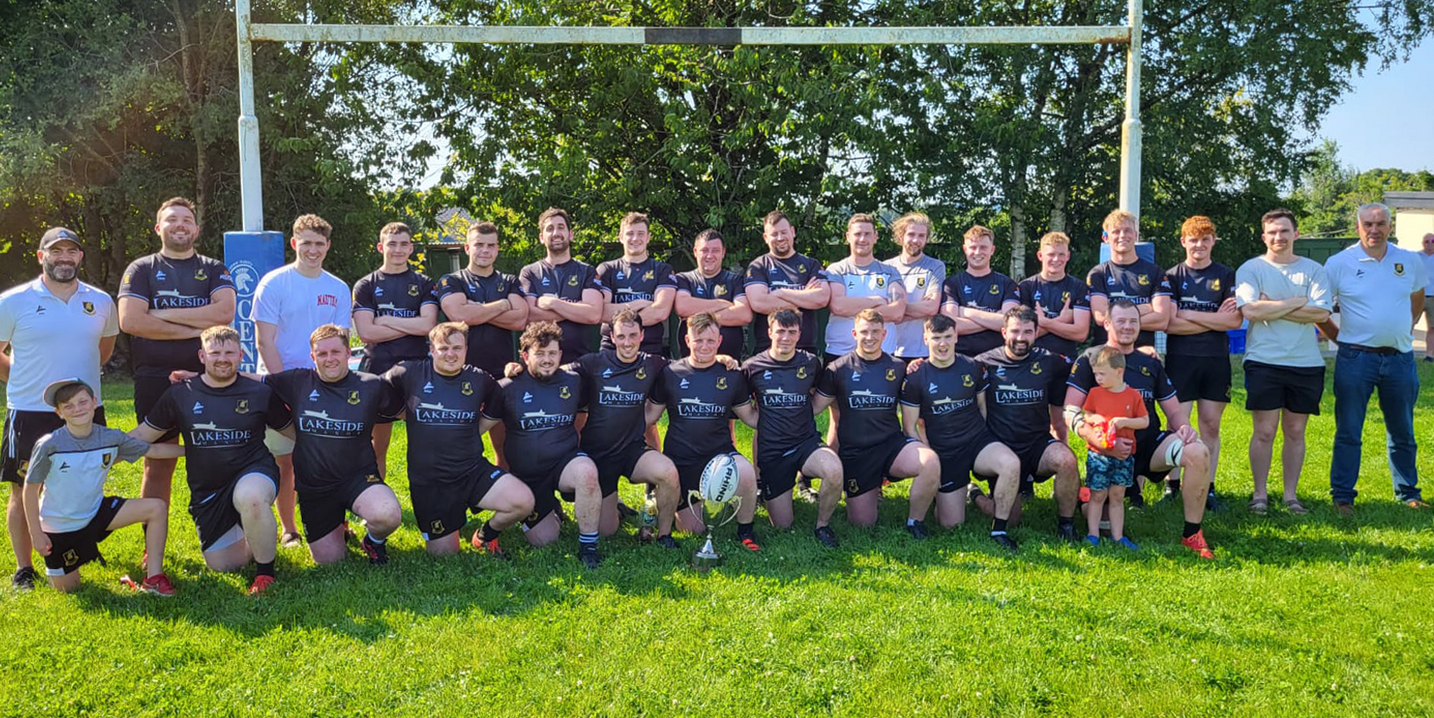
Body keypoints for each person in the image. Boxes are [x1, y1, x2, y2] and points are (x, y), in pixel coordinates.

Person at [0, 227, 119, 591]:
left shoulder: (100, 301)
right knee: (24, 488)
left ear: (80, 257)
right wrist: (19, 381)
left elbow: (105, 348)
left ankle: (80, 547)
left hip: (85, 410)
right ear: (41, 256)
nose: (64, 257)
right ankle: (24, 568)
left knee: (82, 481)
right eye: (56, 251)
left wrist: (77, 396)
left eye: (72, 251)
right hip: (31, 410)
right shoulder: (14, 301)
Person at [132, 326, 289, 594]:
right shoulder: (180, 394)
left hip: (253, 471)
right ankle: (255, 531)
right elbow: (142, 435)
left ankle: (265, 574)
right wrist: (99, 446)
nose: (222, 358)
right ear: (201, 356)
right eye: (214, 352)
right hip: (208, 490)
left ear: (241, 355)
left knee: (251, 497)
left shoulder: (258, 393)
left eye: (229, 352)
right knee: (225, 565)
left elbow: (293, 432)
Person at [1065, 300, 1216, 558]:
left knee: (1198, 452)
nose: (1127, 327)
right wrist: (1095, 437)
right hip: (1106, 451)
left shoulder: (1151, 363)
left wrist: (1185, 428)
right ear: (1107, 323)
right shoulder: (1090, 359)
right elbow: (1070, 410)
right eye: (1121, 321)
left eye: (1133, 321)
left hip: (1147, 448)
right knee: (1097, 521)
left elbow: (1174, 410)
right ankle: (1088, 495)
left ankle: (1192, 534)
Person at [117, 197, 236, 507]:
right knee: (157, 464)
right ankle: (152, 547)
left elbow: (224, 312)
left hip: (209, 378)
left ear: (196, 230)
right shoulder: (142, 268)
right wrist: (197, 328)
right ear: (159, 228)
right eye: (171, 219)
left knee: (218, 460)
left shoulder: (213, 268)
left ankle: (224, 539)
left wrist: (157, 314)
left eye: (186, 220)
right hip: (154, 379)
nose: (179, 224)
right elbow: (130, 320)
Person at [382, 322, 535, 557]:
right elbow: (376, 390)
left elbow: (498, 403)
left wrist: (515, 370)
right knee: (444, 555)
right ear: (431, 350)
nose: (450, 354)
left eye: (457, 347)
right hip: (430, 482)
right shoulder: (409, 372)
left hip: (471, 471)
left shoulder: (479, 379)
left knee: (523, 501)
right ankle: (452, 519)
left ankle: (484, 536)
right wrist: (403, 413)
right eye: (443, 348)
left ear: (466, 349)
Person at [262, 324, 405, 565]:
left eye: (336, 352)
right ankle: (336, 527)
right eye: (322, 353)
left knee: (387, 515)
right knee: (330, 562)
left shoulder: (370, 385)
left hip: (358, 478)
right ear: (312, 357)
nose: (329, 359)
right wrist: (199, 379)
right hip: (315, 487)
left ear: (349, 353)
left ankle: (373, 541)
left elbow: (408, 413)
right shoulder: (297, 380)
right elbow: (250, 381)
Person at [251, 213, 353, 549]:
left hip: (325, 386)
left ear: (328, 247)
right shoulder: (274, 283)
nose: (312, 250)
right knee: (286, 460)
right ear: (294, 243)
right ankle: (290, 528)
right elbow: (264, 341)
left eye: (319, 244)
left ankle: (338, 522)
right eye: (306, 242)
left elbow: (340, 344)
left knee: (332, 457)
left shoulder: (338, 288)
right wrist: (283, 389)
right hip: (281, 384)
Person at [1319, 203, 1429, 513]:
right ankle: (1342, 496)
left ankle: (1408, 492)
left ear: (1390, 227)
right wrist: (1339, 339)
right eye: (1368, 223)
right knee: (1349, 431)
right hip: (1356, 360)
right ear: (1358, 227)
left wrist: (1403, 328)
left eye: (1381, 223)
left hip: (1400, 360)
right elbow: (1320, 310)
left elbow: (1417, 298)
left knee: (1403, 431)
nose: (1374, 229)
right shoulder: (1339, 263)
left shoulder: (1408, 261)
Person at [23, 379, 178, 594]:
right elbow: (30, 490)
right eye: (68, 406)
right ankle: (84, 550)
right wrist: (36, 534)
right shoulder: (49, 445)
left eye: (82, 401)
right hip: (61, 528)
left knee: (157, 508)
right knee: (69, 590)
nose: (77, 409)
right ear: (59, 413)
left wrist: (198, 451)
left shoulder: (110, 437)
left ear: (94, 402)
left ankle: (154, 578)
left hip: (96, 514)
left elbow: (154, 451)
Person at [1234, 209, 1332, 516]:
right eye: (1272, 232)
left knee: (1295, 431)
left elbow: (1321, 314)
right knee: (1264, 431)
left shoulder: (1313, 270)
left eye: (1284, 231)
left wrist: (1271, 306)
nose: (1278, 237)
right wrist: (1296, 301)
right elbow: (1250, 311)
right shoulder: (1251, 269)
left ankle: (1291, 496)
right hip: (1264, 360)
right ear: (1264, 237)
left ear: (1296, 234)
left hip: (1306, 363)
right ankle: (1259, 495)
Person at [482, 322, 604, 567]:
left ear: (560, 355)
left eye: (552, 353)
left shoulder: (573, 382)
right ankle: (550, 508)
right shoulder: (507, 387)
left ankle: (588, 546)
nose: (547, 359)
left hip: (563, 464)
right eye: (540, 353)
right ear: (525, 356)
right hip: (528, 476)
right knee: (545, 540)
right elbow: (481, 427)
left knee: (587, 472)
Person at [813, 309, 942, 538]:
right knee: (863, 523)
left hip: (892, 446)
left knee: (930, 462)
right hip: (856, 453)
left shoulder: (899, 367)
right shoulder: (837, 369)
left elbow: (923, 390)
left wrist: (919, 366)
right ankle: (872, 486)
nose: (869, 337)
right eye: (864, 332)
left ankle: (915, 522)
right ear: (854, 334)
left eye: (875, 332)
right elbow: (813, 408)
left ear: (884, 335)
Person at [898, 315, 1021, 541]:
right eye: (936, 338)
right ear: (925, 339)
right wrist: (929, 456)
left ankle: (999, 529)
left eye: (947, 337)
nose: (942, 344)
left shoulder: (973, 366)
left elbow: (983, 409)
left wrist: (984, 440)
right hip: (944, 452)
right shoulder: (916, 377)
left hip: (976, 442)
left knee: (1011, 464)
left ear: (956, 336)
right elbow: (909, 426)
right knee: (951, 525)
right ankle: (962, 492)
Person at [648, 312, 763, 549]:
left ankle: (746, 531)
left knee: (747, 472)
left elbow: (751, 418)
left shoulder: (731, 374)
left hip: (719, 456)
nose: (704, 346)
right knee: (693, 529)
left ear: (719, 341)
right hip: (680, 460)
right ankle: (662, 516)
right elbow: (651, 415)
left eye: (710, 341)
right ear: (687, 341)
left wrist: (785, 415)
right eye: (698, 340)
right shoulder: (670, 373)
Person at [570, 310, 681, 547]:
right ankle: (613, 508)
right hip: (598, 455)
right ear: (612, 336)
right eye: (621, 336)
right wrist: (518, 369)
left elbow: (686, 367)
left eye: (633, 335)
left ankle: (663, 534)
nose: (627, 342)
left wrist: (722, 359)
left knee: (668, 472)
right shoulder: (593, 362)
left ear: (642, 335)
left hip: (632, 450)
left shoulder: (653, 363)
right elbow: (556, 371)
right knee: (607, 531)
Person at [971, 307, 1080, 543]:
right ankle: (976, 494)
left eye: (1027, 332)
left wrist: (1134, 352)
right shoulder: (983, 363)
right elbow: (949, 368)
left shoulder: (1049, 360)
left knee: (1067, 460)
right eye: (1015, 331)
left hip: (1037, 445)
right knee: (1011, 520)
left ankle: (1067, 526)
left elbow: (1087, 363)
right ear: (1003, 332)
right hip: (1001, 449)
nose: (1021, 338)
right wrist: (918, 364)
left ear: (1036, 332)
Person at [742, 308, 845, 545]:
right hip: (773, 452)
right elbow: (741, 405)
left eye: (791, 332)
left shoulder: (810, 363)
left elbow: (820, 396)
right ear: (769, 332)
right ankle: (773, 491)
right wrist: (764, 421)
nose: (785, 337)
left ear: (800, 334)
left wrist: (805, 412)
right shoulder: (752, 367)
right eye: (780, 331)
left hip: (805, 444)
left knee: (834, 469)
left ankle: (823, 526)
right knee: (782, 525)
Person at [435, 221, 529, 469]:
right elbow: (458, 314)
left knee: (505, 446)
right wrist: (501, 305)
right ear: (467, 247)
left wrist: (474, 310)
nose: (484, 250)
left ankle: (510, 499)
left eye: (490, 245)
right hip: (459, 374)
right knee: (459, 445)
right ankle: (456, 499)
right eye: (478, 245)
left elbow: (520, 319)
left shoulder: (509, 280)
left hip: (502, 373)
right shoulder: (451, 280)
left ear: (497, 249)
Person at [1162, 216, 1239, 508]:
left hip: (1215, 360)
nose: (1199, 245)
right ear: (1183, 242)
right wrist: (1213, 320)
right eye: (1193, 239)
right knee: (1176, 425)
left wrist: (1189, 314)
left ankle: (1207, 487)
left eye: (1205, 239)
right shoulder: (1170, 276)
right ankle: (1172, 484)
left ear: (1213, 242)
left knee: (1210, 426)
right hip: (1180, 359)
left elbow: (1232, 320)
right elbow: (1169, 323)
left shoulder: (1226, 274)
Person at [351, 222, 437, 477]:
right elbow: (366, 332)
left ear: (410, 248)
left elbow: (429, 325)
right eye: (392, 243)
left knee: (425, 445)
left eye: (403, 244)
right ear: (381, 247)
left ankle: (429, 500)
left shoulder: (423, 283)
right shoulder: (366, 285)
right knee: (378, 445)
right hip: (377, 369)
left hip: (417, 371)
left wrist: (386, 320)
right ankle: (377, 498)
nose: (397, 249)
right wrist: (412, 325)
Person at [1017, 231, 1090, 442]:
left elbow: (1081, 332)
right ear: (1040, 256)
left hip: (1064, 362)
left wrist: (1045, 322)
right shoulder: (1026, 288)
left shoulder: (1078, 287)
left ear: (1068, 256)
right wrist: (1061, 320)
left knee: (1059, 423)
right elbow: (1023, 336)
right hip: (1031, 363)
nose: (1056, 259)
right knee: (1030, 421)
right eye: (1051, 254)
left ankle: (1062, 470)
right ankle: (1029, 470)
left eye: (1061, 254)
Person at [1077, 347, 1148, 549]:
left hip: (1124, 456)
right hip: (1098, 454)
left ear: (1119, 372)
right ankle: (1093, 534)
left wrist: (1124, 422)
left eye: (1102, 374)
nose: (1098, 378)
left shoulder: (1133, 396)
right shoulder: (1095, 393)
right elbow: (1086, 414)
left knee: (1117, 496)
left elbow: (1144, 421)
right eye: (1095, 374)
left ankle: (1118, 536)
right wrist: (1094, 418)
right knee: (1098, 494)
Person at [518, 207, 605, 364]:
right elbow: (529, 315)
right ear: (541, 237)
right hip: (540, 364)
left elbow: (593, 315)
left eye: (561, 227)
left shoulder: (587, 271)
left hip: (580, 364)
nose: (556, 233)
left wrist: (553, 303)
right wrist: (577, 309)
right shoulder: (529, 272)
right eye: (549, 229)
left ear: (570, 235)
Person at [823, 213, 907, 364]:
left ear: (875, 237)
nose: (862, 239)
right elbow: (838, 306)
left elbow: (897, 312)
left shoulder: (890, 271)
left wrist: (853, 307)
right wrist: (876, 300)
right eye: (857, 234)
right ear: (848, 236)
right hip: (840, 354)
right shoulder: (836, 270)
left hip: (883, 355)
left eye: (867, 234)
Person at [744, 210, 830, 354]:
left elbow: (821, 299)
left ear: (792, 232)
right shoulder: (758, 266)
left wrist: (780, 293)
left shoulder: (811, 264)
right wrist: (804, 297)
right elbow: (759, 303)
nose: (780, 238)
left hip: (805, 348)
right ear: (765, 237)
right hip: (767, 350)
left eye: (784, 232)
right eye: (774, 234)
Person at [1086, 209, 1173, 348]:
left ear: (1135, 235)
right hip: (1107, 356)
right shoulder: (1098, 274)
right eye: (1116, 231)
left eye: (1127, 230)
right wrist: (1145, 308)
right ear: (1106, 238)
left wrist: (1117, 320)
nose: (1122, 235)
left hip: (1143, 354)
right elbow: (1101, 318)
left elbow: (1161, 320)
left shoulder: (1155, 272)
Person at [597, 212, 677, 356]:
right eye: (630, 234)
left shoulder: (663, 270)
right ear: (620, 237)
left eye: (640, 233)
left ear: (648, 237)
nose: (635, 238)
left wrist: (618, 316)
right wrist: (638, 304)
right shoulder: (606, 269)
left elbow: (660, 312)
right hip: (611, 348)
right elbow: (601, 311)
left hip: (649, 349)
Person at [940, 225, 1020, 358]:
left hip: (999, 358)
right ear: (965, 249)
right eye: (973, 247)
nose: (977, 252)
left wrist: (966, 312)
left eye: (983, 247)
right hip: (960, 357)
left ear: (992, 250)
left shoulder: (1007, 284)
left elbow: (1010, 323)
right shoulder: (951, 284)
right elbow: (950, 327)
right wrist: (994, 318)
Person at [675, 229, 751, 359]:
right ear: (695, 252)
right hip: (691, 365)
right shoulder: (684, 279)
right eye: (704, 250)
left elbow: (744, 314)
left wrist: (695, 316)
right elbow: (682, 307)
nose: (709, 256)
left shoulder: (735, 280)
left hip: (729, 364)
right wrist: (721, 304)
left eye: (715, 250)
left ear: (723, 252)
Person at [883, 212, 947, 362]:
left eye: (921, 236)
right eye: (911, 234)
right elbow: (878, 310)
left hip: (922, 352)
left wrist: (895, 310)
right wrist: (917, 308)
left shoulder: (935, 267)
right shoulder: (886, 268)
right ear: (901, 236)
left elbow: (931, 308)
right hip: (888, 350)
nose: (916, 240)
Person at [1420, 232, 1434, 363]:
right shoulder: (1416, 257)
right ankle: (1403, 352)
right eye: (1427, 241)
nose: (1430, 244)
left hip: (1433, 297)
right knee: (1408, 324)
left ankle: (1429, 355)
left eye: (1433, 241)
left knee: (1432, 327)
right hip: (1417, 296)